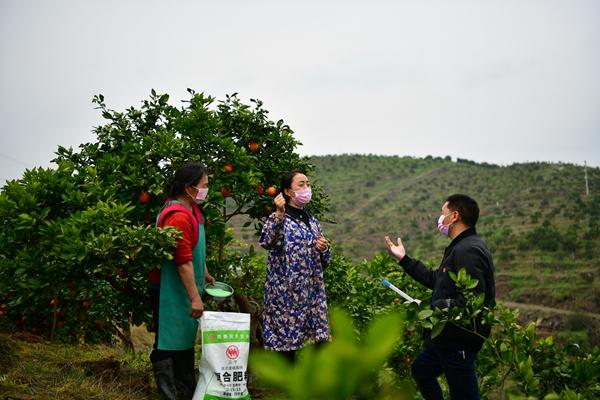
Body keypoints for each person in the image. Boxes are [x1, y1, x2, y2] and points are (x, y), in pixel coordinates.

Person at [385, 194, 495, 400]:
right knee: (421, 370)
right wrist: (404, 260)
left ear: (455, 216)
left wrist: (433, 308)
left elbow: (471, 300)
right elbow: (437, 280)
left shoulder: (468, 250)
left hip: (459, 340)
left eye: (443, 213)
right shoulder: (459, 247)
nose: (440, 218)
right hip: (446, 337)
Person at [148, 162, 216, 400]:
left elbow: (193, 248)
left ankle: (186, 391)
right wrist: (195, 297)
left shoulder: (192, 209)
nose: (206, 190)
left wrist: (204, 272)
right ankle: (170, 393)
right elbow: (182, 261)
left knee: (184, 340)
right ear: (188, 188)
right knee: (168, 342)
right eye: (204, 185)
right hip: (170, 290)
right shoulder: (177, 216)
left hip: (185, 287)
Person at [259, 170, 332, 362]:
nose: (306, 188)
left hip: (312, 294)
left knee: (316, 343)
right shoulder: (279, 218)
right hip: (286, 295)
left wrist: (324, 248)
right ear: (287, 191)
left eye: (308, 183)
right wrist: (278, 214)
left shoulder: (312, 221)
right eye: (301, 184)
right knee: (286, 346)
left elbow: (325, 261)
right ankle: (286, 379)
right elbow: (266, 241)